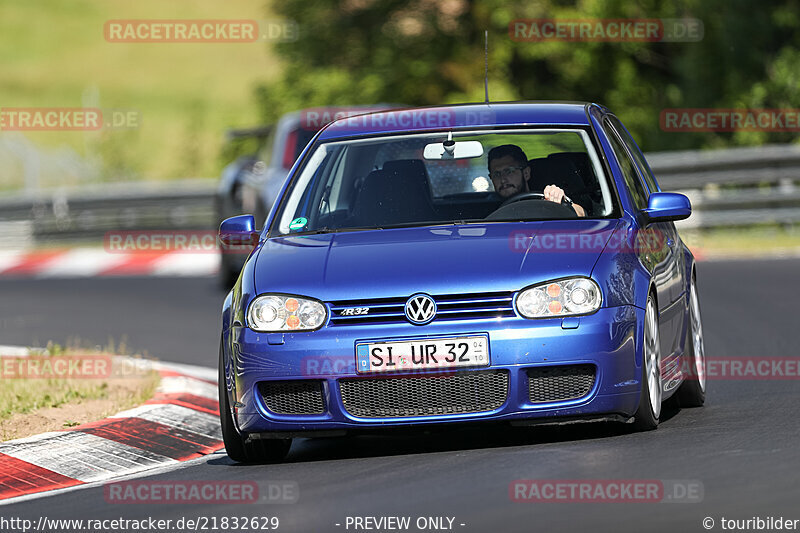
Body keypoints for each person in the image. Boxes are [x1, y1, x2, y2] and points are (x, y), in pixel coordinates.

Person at [487, 144, 586, 217]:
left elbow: (582, 215)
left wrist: (563, 201)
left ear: (526, 173)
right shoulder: (486, 212)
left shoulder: (547, 199)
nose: (503, 179)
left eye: (509, 171)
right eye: (496, 174)